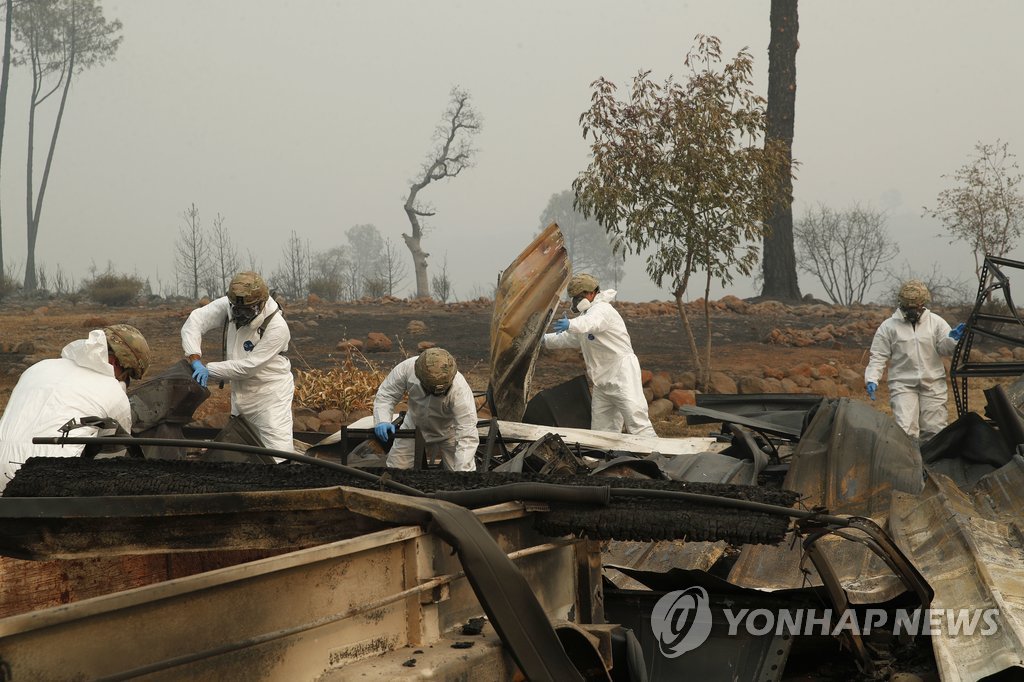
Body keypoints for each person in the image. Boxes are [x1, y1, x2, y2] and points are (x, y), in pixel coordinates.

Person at [0, 324, 151, 491]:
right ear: (115, 362)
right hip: (48, 481)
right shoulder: (113, 390)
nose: (124, 381)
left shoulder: (38, 367)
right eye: (127, 375)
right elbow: (113, 456)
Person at [182, 271, 294, 452]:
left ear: (261, 303)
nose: (241, 315)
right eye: (237, 309)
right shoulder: (229, 305)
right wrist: (194, 358)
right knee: (241, 452)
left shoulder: (277, 327)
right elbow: (196, 320)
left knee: (278, 453)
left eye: (248, 310)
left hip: (270, 396)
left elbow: (249, 367)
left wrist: (208, 370)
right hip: (240, 395)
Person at [542, 273, 657, 437]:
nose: (574, 301)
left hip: (622, 375)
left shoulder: (602, 310)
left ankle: (659, 457)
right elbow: (572, 339)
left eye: (578, 297)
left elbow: (591, 323)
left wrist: (571, 324)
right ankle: (599, 460)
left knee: (637, 422)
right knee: (602, 430)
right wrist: (544, 340)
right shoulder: (586, 315)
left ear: (590, 293)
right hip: (602, 380)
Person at [864, 279, 966, 444]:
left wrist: (952, 340)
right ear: (901, 304)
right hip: (902, 385)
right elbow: (878, 356)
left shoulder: (936, 322)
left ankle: (932, 466)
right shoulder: (889, 327)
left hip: (933, 382)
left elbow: (944, 349)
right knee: (905, 430)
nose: (912, 311)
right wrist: (871, 379)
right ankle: (907, 467)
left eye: (916, 307)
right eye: (908, 307)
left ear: (923, 304)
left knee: (935, 430)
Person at [372, 348, 479, 471]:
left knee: (461, 473)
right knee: (395, 470)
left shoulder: (460, 390)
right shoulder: (407, 368)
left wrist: (463, 472)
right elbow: (387, 394)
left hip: (449, 432)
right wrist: (382, 420)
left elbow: (467, 433)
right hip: (413, 426)